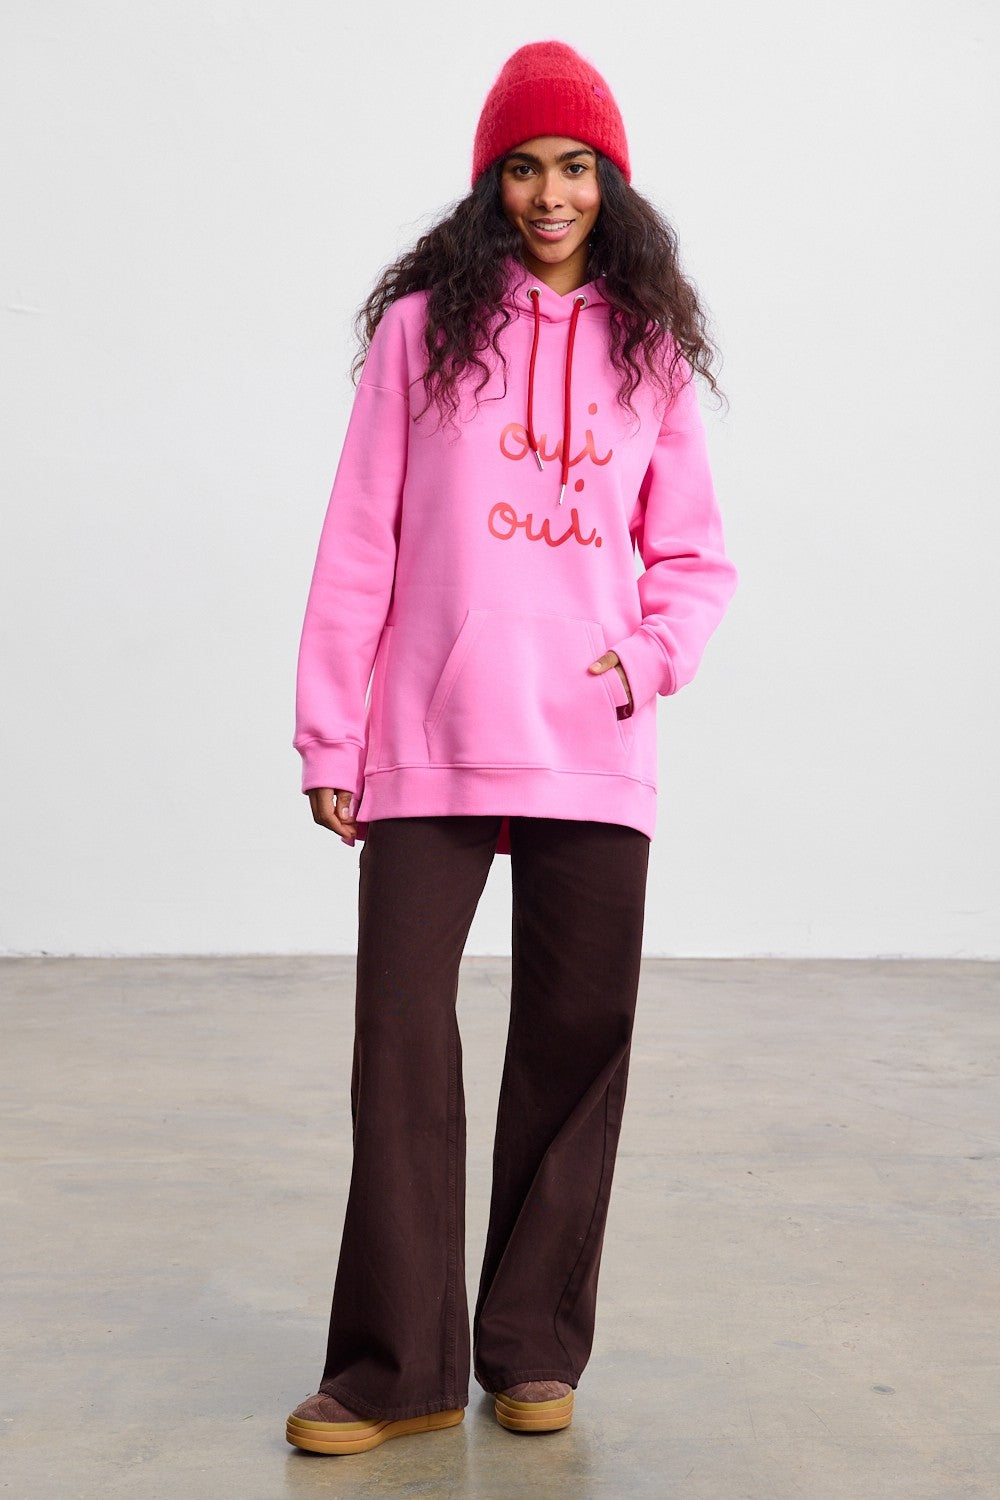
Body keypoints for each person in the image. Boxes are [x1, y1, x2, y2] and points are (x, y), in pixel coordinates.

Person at [285, 39, 739, 1456]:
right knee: (401, 1039)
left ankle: (533, 1345)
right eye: (527, 168)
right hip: (429, 734)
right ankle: (396, 1369)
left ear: (612, 183)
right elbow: (359, 542)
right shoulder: (423, 336)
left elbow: (696, 560)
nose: (552, 195)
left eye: (577, 168)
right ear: (492, 183)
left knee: (576, 1040)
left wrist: (645, 660)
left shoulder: (650, 351)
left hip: (592, 742)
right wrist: (331, 732)